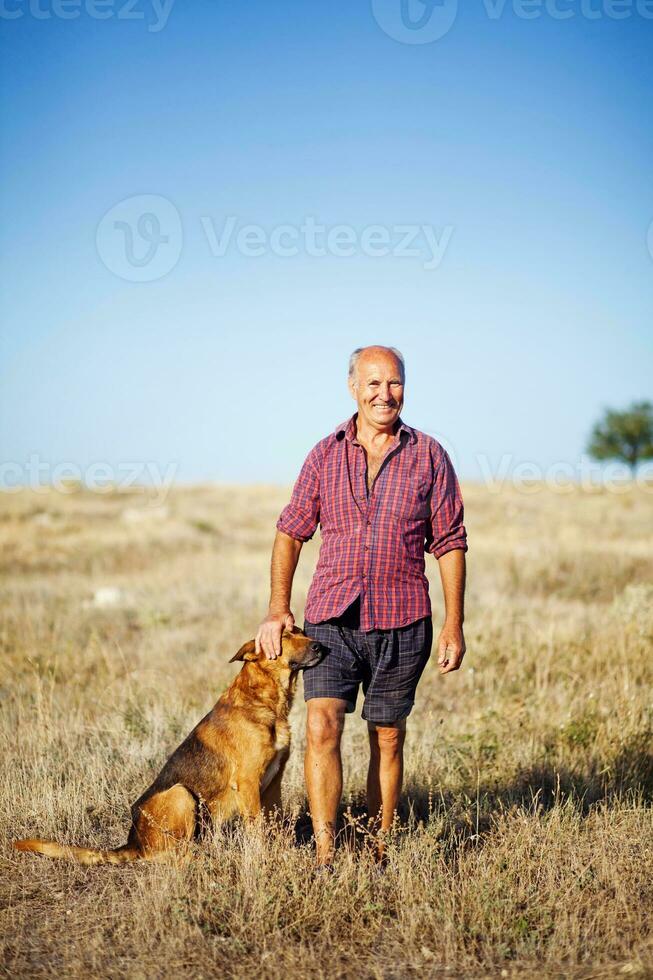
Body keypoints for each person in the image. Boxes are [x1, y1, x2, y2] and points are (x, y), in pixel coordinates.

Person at [255, 345, 467, 868]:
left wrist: (455, 624)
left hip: (403, 620)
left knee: (387, 736)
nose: (383, 394)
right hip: (331, 618)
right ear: (353, 389)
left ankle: (376, 850)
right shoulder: (325, 454)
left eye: (393, 383)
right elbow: (290, 531)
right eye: (372, 384)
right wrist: (278, 608)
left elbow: (451, 542)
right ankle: (326, 854)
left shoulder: (429, 455)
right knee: (321, 725)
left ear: (405, 388)